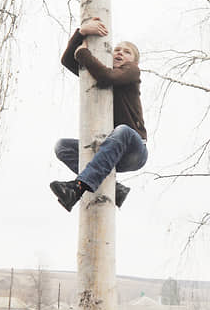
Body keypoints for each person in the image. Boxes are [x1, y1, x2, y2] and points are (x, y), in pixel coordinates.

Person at [50, 17, 146, 211]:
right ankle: (114, 188)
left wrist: (84, 53)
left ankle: (77, 189)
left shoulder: (132, 72)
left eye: (126, 52)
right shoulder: (99, 69)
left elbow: (106, 77)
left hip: (133, 149)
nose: (119, 53)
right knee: (63, 147)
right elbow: (68, 60)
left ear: (134, 61)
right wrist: (82, 32)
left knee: (123, 131)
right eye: (116, 49)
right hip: (110, 150)